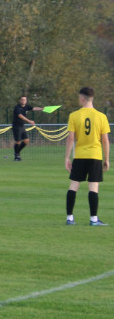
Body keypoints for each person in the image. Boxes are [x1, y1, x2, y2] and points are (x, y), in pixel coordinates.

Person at [64, 87, 110, 226]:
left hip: (80, 156)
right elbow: (105, 140)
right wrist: (107, 159)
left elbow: (71, 138)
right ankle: (94, 219)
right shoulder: (101, 116)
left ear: (83, 99)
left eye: (79, 98)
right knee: (93, 187)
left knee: (73, 186)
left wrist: (67, 157)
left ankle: (70, 218)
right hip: (95, 156)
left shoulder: (74, 115)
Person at [12, 96, 43, 161]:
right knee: (18, 141)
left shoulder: (26, 107)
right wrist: (29, 121)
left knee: (26, 140)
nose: (23, 101)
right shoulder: (17, 107)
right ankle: (17, 156)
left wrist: (42, 108)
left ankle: (16, 153)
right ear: (20, 100)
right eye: (22, 100)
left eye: (25, 100)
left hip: (22, 126)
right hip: (16, 126)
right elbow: (20, 116)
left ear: (26, 101)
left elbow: (34, 108)